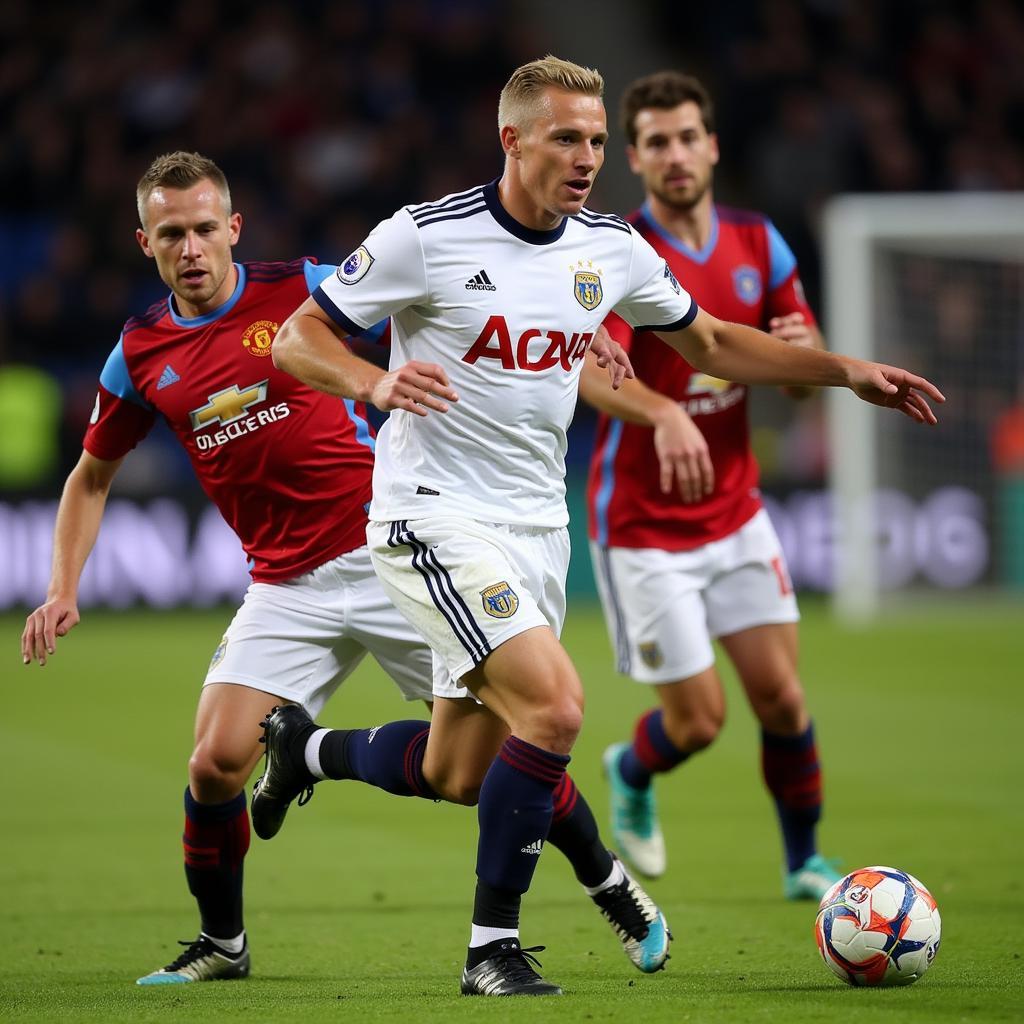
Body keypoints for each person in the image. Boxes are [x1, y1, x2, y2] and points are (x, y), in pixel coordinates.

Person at [268, 54, 942, 997]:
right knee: (555, 709)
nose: (587, 157)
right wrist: (372, 380)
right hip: (431, 517)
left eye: (593, 140)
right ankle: (491, 950)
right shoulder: (423, 237)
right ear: (512, 140)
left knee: (461, 770)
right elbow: (297, 336)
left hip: (537, 529)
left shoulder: (610, 249)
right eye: (566, 138)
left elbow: (706, 342)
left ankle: (301, 747)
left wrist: (847, 370)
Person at [20, 150, 659, 988]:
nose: (192, 248)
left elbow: (466, 289)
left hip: (392, 549)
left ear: (233, 228)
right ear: (145, 242)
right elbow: (90, 476)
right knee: (213, 762)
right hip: (284, 585)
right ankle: (223, 944)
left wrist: (599, 331)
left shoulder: (304, 288)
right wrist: (63, 586)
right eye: (171, 233)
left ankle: (609, 887)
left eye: (206, 228)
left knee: (498, 750)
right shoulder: (139, 353)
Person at [578, 70, 855, 896]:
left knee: (782, 698)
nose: (675, 155)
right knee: (699, 721)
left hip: (735, 510)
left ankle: (804, 859)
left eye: (687, 137)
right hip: (642, 525)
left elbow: (796, 382)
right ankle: (632, 765)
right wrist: (663, 412)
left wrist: (806, 352)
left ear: (712, 145)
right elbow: (590, 373)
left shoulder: (760, 242)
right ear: (634, 157)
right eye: (656, 142)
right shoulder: (617, 252)